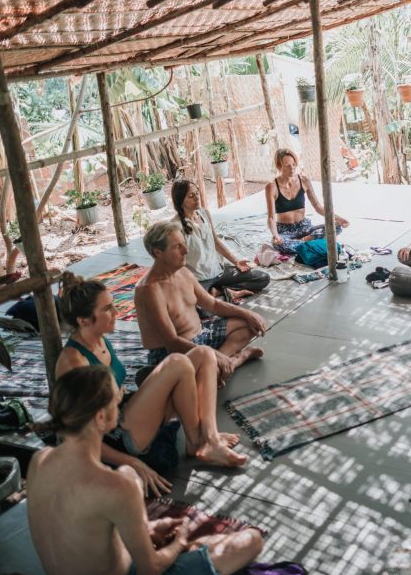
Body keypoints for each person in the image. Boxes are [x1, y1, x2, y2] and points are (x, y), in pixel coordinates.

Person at [27, 366, 263, 575]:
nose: (121, 398)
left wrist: (150, 529)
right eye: (116, 399)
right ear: (100, 417)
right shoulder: (117, 485)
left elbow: (84, 528)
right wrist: (180, 541)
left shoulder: (40, 460)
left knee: (131, 483)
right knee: (250, 540)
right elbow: (150, 570)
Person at [55, 271, 245, 485]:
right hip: (116, 436)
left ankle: (206, 438)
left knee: (204, 354)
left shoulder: (100, 339)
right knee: (177, 363)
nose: (116, 312)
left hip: (128, 412)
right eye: (107, 308)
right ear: (83, 321)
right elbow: (79, 437)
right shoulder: (73, 363)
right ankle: (201, 441)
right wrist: (132, 462)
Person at [135, 221, 267, 385]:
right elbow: (171, 342)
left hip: (202, 335)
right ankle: (234, 360)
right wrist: (213, 355)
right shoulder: (148, 290)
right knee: (188, 383)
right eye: (177, 247)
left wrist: (248, 313)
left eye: (184, 244)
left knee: (249, 324)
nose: (186, 250)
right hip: (174, 352)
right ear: (158, 252)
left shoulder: (183, 272)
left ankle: (219, 366)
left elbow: (212, 304)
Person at [171, 179, 270, 300]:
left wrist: (236, 261)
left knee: (262, 278)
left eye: (197, 193)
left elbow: (215, 241)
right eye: (191, 196)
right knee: (196, 305)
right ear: (180, 201)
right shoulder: (175, 226)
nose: (197, 198)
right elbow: (176, 262)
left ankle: (221, 292)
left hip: (218, 270)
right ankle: (218, 293)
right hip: (199, 278)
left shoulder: (204, 213)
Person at [264, 148, 348, 255]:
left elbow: (318, 206)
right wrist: (275, 235)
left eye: (294, 164)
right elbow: (271, 218)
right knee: (279, 244)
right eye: (287, 166)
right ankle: (312, 243)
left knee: (337, 226)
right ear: (279, 166)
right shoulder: (271, 187)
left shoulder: (304, 181)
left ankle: (304, 242)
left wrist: (339, 218)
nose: (292, 168)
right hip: (285, 231)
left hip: (304, 227)